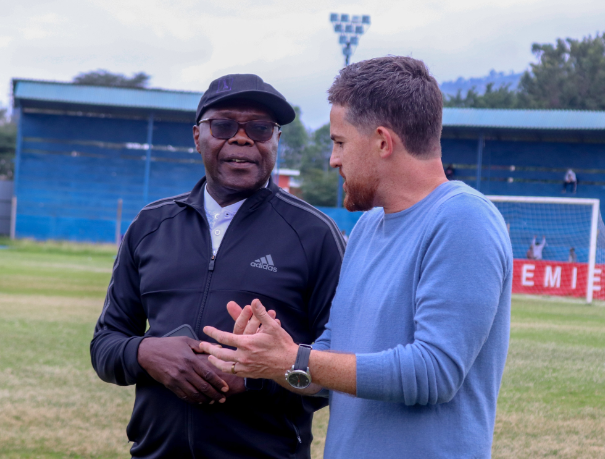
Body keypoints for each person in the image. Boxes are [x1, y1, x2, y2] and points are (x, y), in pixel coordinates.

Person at [200, 56, 513, 459]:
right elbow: (329, 364)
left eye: (339, 142)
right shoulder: (367, 227)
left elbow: (434, 373)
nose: (333, 159)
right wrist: (271, 356)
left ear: (383, 142)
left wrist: (295, 358)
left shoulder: (463, 219)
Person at [90, 74, 345, 458]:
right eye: (223, 125)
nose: (241, 138)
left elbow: (340, 369)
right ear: (197, 136)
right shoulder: (150, 225)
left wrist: (257, 376)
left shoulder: (315, 234)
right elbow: (105, 344)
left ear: (276, 141)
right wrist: (147, 353)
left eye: (260, 128)